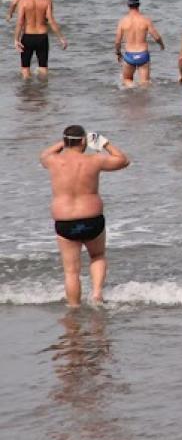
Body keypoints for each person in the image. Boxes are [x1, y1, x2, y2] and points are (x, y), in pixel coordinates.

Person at [41, 126, 129, 306]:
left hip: (65, 222)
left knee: (71, 272)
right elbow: (123, 160)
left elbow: (43, 155)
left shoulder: (53, 161)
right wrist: (104, 143)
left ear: (66, 142)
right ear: (84, 141)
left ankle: (74, 307)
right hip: (91, 219)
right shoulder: (94, 160)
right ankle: (96, 294)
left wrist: (64, 142)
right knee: (97, 255)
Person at [14, 0, 67, 80]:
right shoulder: (45, 2)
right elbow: (51, 21)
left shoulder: (23, 3)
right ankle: (43, 91)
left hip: (28, 36)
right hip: (42, 37)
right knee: (43, 67)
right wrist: (61, 38)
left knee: (25, 68)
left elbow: (20, 22)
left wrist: (16, 39)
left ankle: (27, 90)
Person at [113, 0, 164, 87]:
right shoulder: (145, 20)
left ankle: (132, 91)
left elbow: (117, 41)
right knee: (145, 84)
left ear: (128, 5)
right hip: (143, 55)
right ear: (139, 5)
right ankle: (142, 98)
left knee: (127, 79)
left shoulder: (123, 21)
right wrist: (161, 45)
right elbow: (156, 37)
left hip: (129, 56)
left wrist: (118, 53)